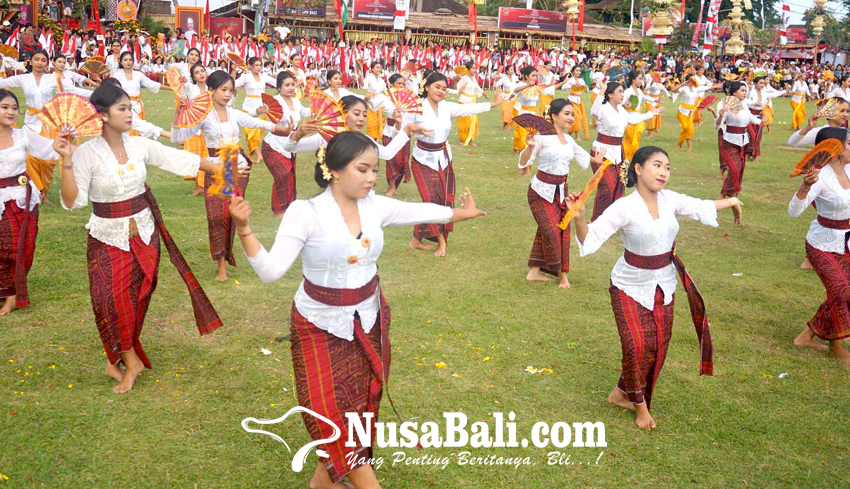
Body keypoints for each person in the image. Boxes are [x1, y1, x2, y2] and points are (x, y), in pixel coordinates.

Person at [229, 131, 486, 489]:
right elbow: (271, 272)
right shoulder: (306, 212)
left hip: (368, 320)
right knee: (331, 415)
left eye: (374, 171)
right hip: (317, 325)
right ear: (333, 169)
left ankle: (323, 481)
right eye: (362, 169)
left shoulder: (374, 206)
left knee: (361, 406)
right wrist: (244, 230)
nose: (371, 178)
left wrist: (461, 213)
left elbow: (419, 210)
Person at [55, 83, 223, 394]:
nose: (130, 113)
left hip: (144, 233)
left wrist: (220, 167)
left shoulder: (138, 145)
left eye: (130, 107)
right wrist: (66, 159)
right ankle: (130, 360)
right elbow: (72, 201)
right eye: (122, 108)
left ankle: (116, 359)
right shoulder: (86, 153)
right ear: (103, 115)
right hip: (107, 237)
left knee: (138, 296)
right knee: (109, 300)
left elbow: (174, 158)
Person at [570, 145, 741, 430]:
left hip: (664, 284)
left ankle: (620, 394)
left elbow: (700, 206)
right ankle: (640, 406)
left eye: (668, 167)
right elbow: (590, 239)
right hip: (627, 285)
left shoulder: (670, 199)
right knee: (636, 345)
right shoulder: (623, 206)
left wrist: (732, 201)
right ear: (638, 169)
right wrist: (578, 217)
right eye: (657, 165)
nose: (663, 172)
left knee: (658, 346)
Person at [170, 71, 289, 281]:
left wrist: (281, 129)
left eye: (231, 91)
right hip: (215, 168)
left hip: (237, 167)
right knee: (215, 216)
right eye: (223, 90)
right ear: (212, 90)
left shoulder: (234, 113)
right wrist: (177, 113)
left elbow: (258, 123)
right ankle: (221, 264)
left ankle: (227, 256)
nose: (227, 94)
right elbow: (176, 137)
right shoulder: (203, 116)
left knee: (230, 215)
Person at [408, 72, 501, 257]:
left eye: (444, 88)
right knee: (429, 201)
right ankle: (441, 242)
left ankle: (416, 239)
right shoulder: (416, 107)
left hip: (444, 159)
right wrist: (412, 128)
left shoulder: (447, 107)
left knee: (444, 200)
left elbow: (469, 109)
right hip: (422, 160)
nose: (441, 91)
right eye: (437, 87)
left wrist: (494, 103)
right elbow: (402, 128)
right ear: (427, 87)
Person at [518, 98, 603, 289]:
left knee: (558, 229)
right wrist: (530, 146)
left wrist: (596, 159)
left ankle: (534, 272)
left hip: (561, 193)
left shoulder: (569, 140)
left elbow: (583, 156)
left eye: (572, 114)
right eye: (566, 113)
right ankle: (562, 275)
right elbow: (523, 163)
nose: (571, 117)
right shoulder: (540, 137)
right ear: (554, 116)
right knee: (552, 230)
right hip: (540, 192)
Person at [788, 127, 850, 367]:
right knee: (842, 292)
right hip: (822, 243)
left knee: (844, 291)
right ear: (835, 149)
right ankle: (835, 344)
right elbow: (793, 212)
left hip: (846, 241)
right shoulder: (819, 177)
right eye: (849, 142)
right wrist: (804, 187)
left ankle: (807, 335)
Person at [0, 89, 60, 314]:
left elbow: (48, 149)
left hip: (21, 198)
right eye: (5, 107)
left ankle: (13, 296)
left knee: (20, 246)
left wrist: (62, 139)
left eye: (14, 108)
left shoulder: (23, 135)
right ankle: (5, 291)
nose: (11, 112)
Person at [589, 81, 661, 221]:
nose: (623, 94)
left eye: (623, 91)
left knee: (619, 185)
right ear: (610, 94)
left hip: (618, 152)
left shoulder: (621, 111)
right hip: (601, 152)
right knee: (606, 188)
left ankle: (613, 218)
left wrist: (651, 113)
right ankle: (598, 219)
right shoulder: (603, 109)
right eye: (620, 91)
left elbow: (633, 119)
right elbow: (594, 111)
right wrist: (601, 92)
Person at [260, 71, 310, 218]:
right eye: (287, 85)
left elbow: (305, 112)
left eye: (293, 85)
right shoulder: (274, 102)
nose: (291, 88)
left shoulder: (296, 101)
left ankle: (289, 207)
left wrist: (319, 108)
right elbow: (260, 113)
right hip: (274, 144)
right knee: (282, 174)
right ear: (279, 87)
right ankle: (279, 210)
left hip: (291, 143)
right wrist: (260, 111)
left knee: (290, 176)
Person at [715, 81, 761, 226]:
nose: (744, 92)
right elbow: (716, 125)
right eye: (742, 90)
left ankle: (723, 195)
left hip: (742, 141)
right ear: (734, 92)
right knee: (734, 169)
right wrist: (720, 116)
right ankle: (734, 196)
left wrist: (761, 121)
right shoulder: (726, 106)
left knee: (739, 169)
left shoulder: (745, 105)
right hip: (728, 141)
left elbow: (751, 119)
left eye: (745, 90)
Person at [235, 57, 276, 163]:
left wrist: (289, 82)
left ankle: (257, 154)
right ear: (250, 66)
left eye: (260, 65)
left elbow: (277, 82)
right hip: (248, 107)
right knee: (249, 132)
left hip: (261, 108)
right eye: (256, 65)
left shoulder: (264, 76)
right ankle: (258, 155)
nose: (258, 67)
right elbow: (234, 84)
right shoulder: (246, 77)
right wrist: (233, 71)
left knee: (256, 134)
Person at [456, 61, 486, 147]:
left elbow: (478, 88)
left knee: (473, 121)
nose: (475, 70)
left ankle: (471, 139)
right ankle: (461, 139)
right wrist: (460, 88)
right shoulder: (464, 78)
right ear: (468, 69)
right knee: (464, 121)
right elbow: (458, 87)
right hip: (464, 101)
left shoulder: (474, 79)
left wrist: (484, 94)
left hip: (472, 102)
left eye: (475, 68)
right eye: (473, 68)